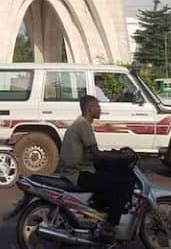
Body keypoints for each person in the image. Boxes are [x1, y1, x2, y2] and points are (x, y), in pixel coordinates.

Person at [56, 95, 136, 240]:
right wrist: (121, 157)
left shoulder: (81, 123)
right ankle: (110, 225)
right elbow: (96, 154)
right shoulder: (83, 125)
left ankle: (98, 209)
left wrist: (115, 154)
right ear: (89, 109)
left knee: (112, 175)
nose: (100, 109)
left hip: (80, 170)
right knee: (125, 182)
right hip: (78, 174)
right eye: (97, 106)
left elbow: (93, 154)